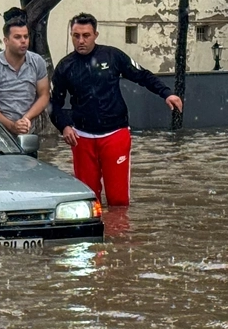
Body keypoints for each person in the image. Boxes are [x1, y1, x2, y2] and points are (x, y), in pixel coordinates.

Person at [50, 12, 183, 207]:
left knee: (118, 199)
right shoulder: (65, 66)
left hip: (115, 134)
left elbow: (142, 76)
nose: (80, 41)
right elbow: (53, 104)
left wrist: (166, 93)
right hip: (82, 137)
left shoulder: (112, 56)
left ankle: (120, 236)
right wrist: (64, 127)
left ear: (96, 34)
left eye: (86, 35)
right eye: (75, 35)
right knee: (88, 200)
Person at [0, 8, 50, 135]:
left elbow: (44, 95)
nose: (23, 41)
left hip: (27, 132)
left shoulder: (37, 62)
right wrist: (10, 125)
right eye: (17, 37)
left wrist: (26, 119)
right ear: (6, 41)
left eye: (26, 37)